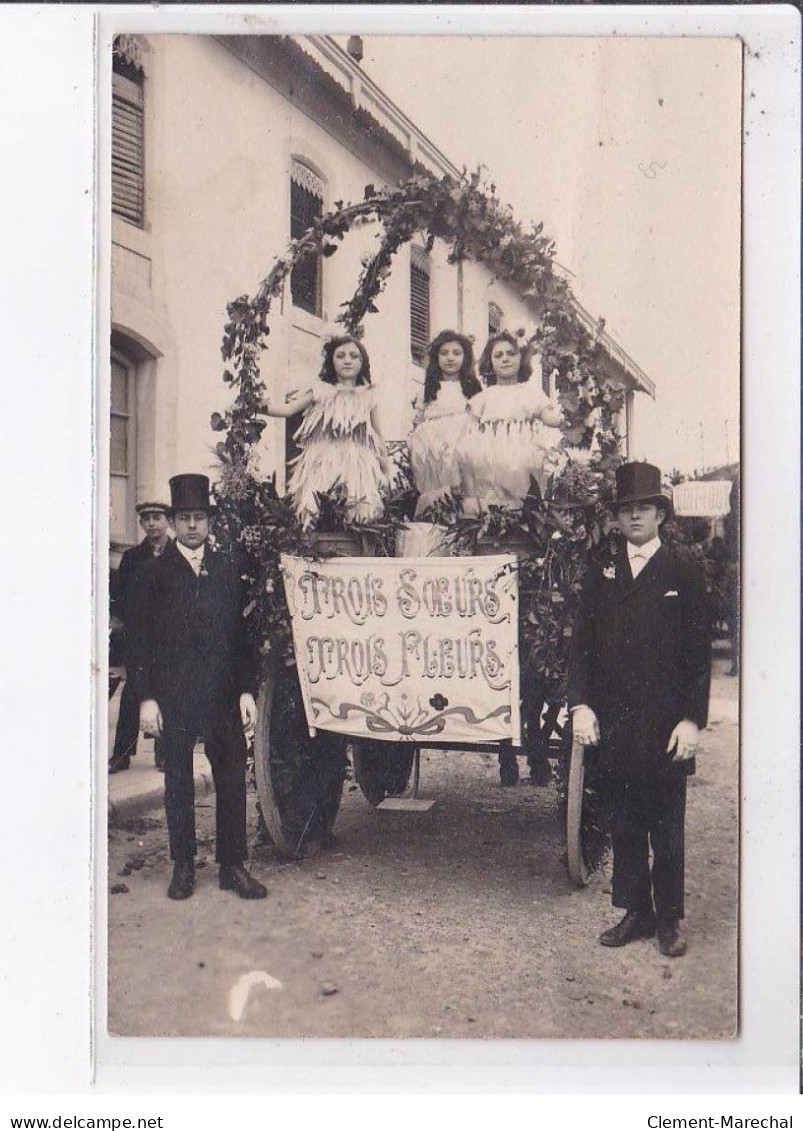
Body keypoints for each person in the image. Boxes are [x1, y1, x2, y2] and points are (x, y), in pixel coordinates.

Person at [567, 462, 711, 958]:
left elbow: (697, 654)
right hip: (617, 720)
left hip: (666, 724)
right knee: (624, 819)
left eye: (643, 508)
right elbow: (582, 645)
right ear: (616, 517)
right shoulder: (603, 572)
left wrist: (692, 719)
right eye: (626, 509)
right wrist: (581, 705)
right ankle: (636, 909)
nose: (634, 517)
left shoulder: (683, 573)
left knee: (666, 822)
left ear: (660, 515)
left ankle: (669, 917)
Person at [127, 474, 267, 901]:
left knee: (229, 776)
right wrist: (147, 699)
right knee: (179, 782)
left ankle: (232, 865)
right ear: (172, 522)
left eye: (199, 518)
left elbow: (242, 636)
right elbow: (139, 641)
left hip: (222, 692)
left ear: (209, 522)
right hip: (174, 695)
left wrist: (246, 690)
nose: (192, 526)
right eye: (184, 518)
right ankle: (183, 865)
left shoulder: (227, 570)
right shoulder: (152, 573)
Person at [262, 335, 389, 530]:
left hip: (356, 462)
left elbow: (378, 436)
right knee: (318, 505)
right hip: (323, 460)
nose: (347, 360)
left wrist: (385, 472)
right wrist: (257, 406)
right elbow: (288, 410)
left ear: (362, 362)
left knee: (356, 507)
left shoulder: (368, 396)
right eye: (340, 355)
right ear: (331, 361)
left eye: (354, 356)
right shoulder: (320, 390)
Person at [457, 331, 563, 515]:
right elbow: (467, 434)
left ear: (521, 359)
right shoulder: (483, 398)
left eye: (511, 354)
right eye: (498, 355)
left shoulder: (531, 394)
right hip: (489, 464)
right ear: (490, 362)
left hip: (522, 461)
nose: (505, 359)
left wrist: (569, 413)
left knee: (521, 507)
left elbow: (551, 418)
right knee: (492, 508)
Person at [108, 501, 171, 774]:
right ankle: (121, 755)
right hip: (140, 634)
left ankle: (165, 754)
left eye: (157, 518)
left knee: (167, 692)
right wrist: (122, 621)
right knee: (134, 692)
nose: (152, 524)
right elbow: (120, 594)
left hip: (170, 636)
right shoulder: (133, 557)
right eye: (146, 519)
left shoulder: (177, 555)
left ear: (167, 520)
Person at [409, 330, 481, 517]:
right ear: (436, 357)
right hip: (432, 450)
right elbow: (418, 419)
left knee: (462, 492)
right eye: (444, 353)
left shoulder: (472, 388)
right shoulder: (429, 389)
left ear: (465, 357)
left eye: (456, 353)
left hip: (460, 447)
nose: (450, 358)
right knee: (438, 495)